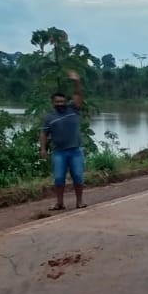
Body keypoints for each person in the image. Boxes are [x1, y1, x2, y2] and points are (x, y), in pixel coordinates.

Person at [39, 70, 86, 211]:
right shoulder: (49, 117)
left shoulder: (73, 109)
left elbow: (78, 95)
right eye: (57, 101)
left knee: (78, 177)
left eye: (62, 101)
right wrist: (42, 148)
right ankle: (59, 203)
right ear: (53, 103)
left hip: (75, 151)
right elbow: (44, 133)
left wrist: (76, 81)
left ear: (66, 102)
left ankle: (79, 202)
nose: (60, 103)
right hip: (59, 152)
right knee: (59, 178)